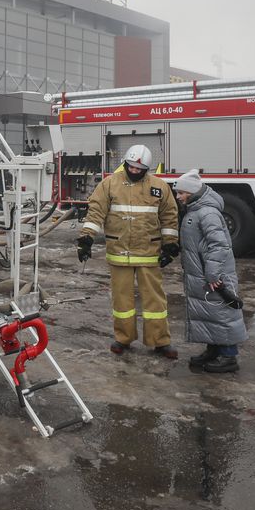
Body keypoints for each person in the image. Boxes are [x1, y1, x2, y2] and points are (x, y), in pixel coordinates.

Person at [78, 144, 181, 358]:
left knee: (155, 300)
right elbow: (96, 211)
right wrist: (86, 238)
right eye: (131, 167)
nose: (134, 171)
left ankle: (160, 341)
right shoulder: (109, 184)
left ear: (146, 169)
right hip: (119, 251)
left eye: (139, 169)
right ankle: (123, 338)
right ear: (125, 163)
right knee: (122, 300)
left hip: (149, 252)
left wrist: (170, 244)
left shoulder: (159, 187)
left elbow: (169, 216)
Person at [172, 169, 247, 373]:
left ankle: (229, 356)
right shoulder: (195, 211)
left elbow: (219, 245)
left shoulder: (207, 214)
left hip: (214, 276)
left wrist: (213, 274)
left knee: (222, 313)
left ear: (192, 192)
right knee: (210, 313)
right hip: (202, 274)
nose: (178, 196)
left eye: (181, 193)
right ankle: (213, 350)